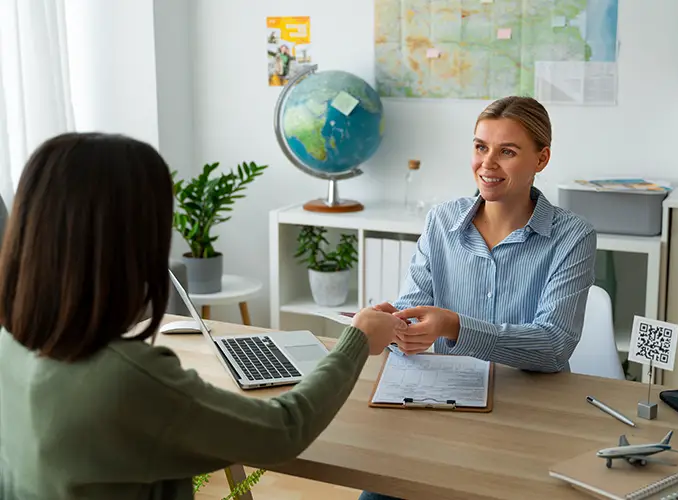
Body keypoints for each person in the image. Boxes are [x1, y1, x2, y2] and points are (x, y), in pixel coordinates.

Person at [0, 132, 407, 500]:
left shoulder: (11, 345)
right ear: (127, 244)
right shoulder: (123, 381)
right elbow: (284, 430)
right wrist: (356, 342)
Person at [358, 96, 596, 500]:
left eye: (507, 151)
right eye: (480, 147)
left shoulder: (572, 236)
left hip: (530, 419)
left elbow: (553, 346)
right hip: (444, 408)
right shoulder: (441, 221)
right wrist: (395, 327)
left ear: (541, 159)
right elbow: (413, 312)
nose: (487, 163)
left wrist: (455, 325)